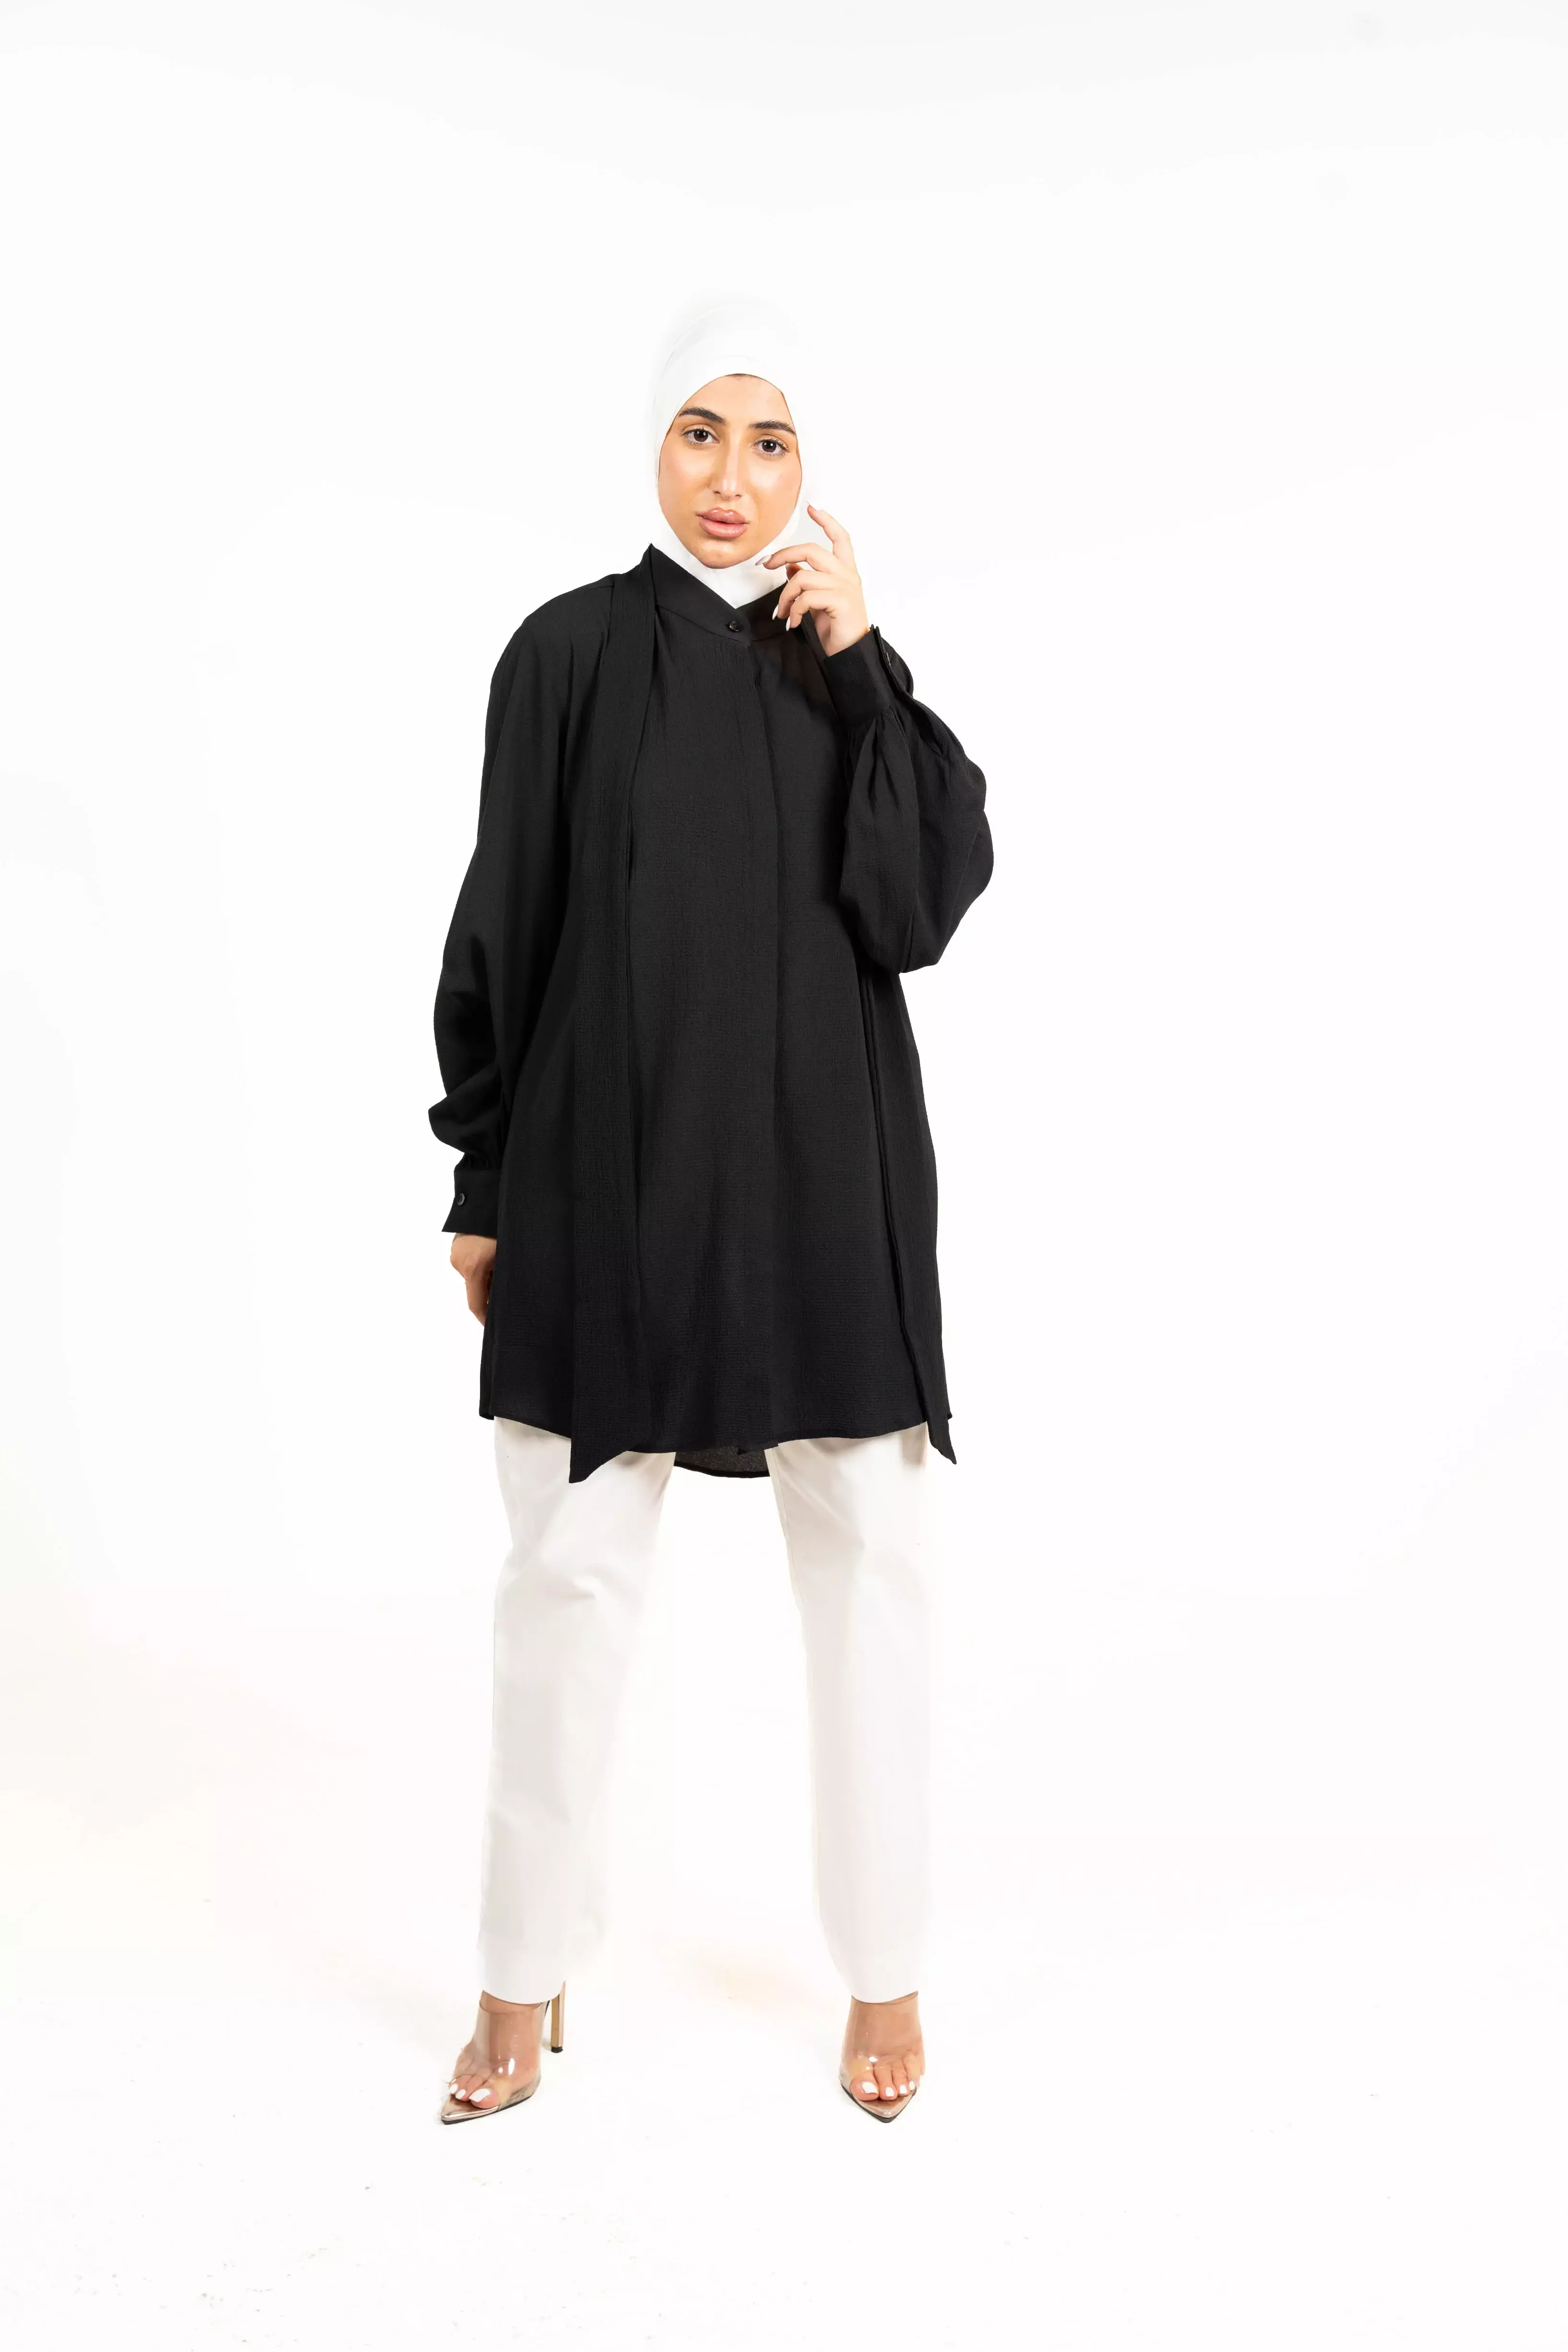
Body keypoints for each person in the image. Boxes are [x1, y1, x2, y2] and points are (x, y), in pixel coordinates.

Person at [428, 299, 992, 2124]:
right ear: (650, 445)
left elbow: (920, 904)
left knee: (873, 1571)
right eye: (699, 432)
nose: (731, 478)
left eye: (771, 442)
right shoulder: (566, 654)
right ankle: (521, 1974)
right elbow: (506, 915)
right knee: (565, 1578)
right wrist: (483, 1177)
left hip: (826, 1185)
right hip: (603, 1178)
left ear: (814, 469)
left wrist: (866, 656)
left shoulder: (850, 673)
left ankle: (884, 1969)